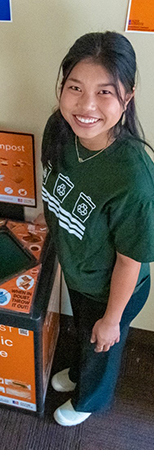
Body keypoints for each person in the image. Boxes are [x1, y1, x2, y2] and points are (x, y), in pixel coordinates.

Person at [41, 31, 154, 427]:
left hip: (115, 288)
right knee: (83, 333)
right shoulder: (59, 129)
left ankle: (90, 399)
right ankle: (80, 372)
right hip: (80, 273)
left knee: (103, 343)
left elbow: (131, 261)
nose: (86, 105)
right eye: (75, 87)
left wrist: (112, 318)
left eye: (105, 92)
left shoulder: (134, 178)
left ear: (129, 95)